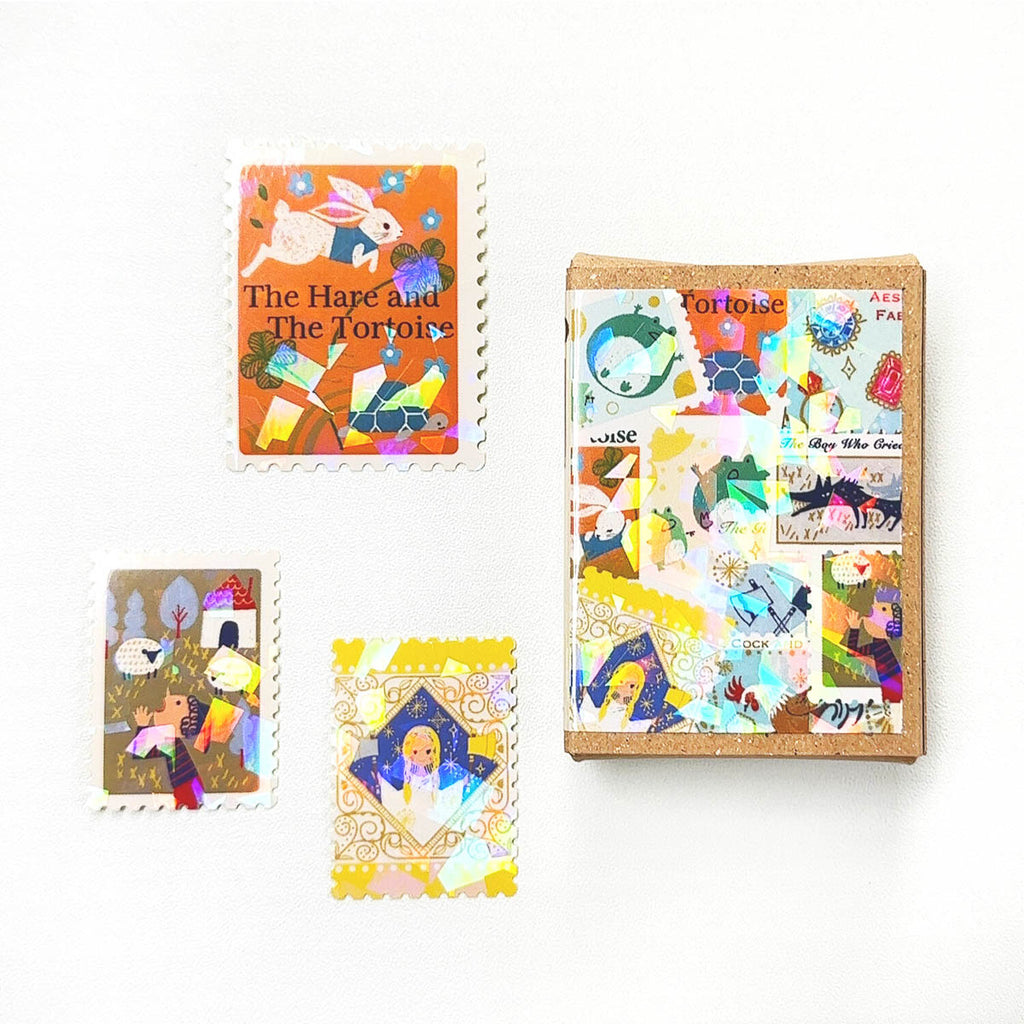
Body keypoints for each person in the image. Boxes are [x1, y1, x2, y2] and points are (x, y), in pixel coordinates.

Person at [132, 691, 209, 809]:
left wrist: (142, 725)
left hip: (186, 787)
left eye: (178, 703)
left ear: (185, 723)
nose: (167, 697)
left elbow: (139, 751)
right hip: (188, 786)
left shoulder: (171, 740)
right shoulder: (169, 738)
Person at [842, 585, 903, 703]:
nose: (872, 612)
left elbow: (853, 652)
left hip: (893, 689)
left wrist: (854, 629)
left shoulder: (881, 645)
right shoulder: (879, 643)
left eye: (883, 609)